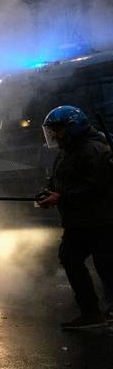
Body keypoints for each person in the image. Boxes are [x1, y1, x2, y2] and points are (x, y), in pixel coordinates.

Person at [37, 105, 113, 329]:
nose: (54, 135)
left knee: (106, 265)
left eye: (58, 129)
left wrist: (61, 197)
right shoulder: (68, 150)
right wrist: (49, 192)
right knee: (70, 258)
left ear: (73, 126)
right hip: (79, 221)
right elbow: (59, 179)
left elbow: (96, 187)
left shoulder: (93, 149)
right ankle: (91, 313)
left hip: (101, 220)